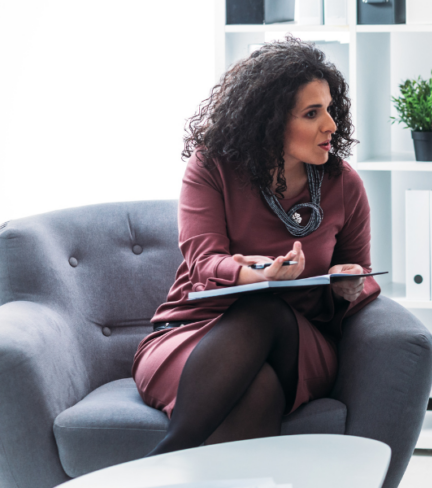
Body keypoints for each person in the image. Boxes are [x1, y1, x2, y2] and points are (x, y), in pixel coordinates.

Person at [132, 37, 379, 456]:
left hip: (298, 344)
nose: (331, 126)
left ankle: (162, 462)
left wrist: (349, 284)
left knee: (267, 309)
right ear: (269, 121)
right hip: (191, 333)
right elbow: (203, 261)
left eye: (331, 109)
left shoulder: (344, 184)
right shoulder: (211, 167)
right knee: (258, 391)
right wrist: (256, 275)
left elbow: (361, 271)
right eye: (312, 113)